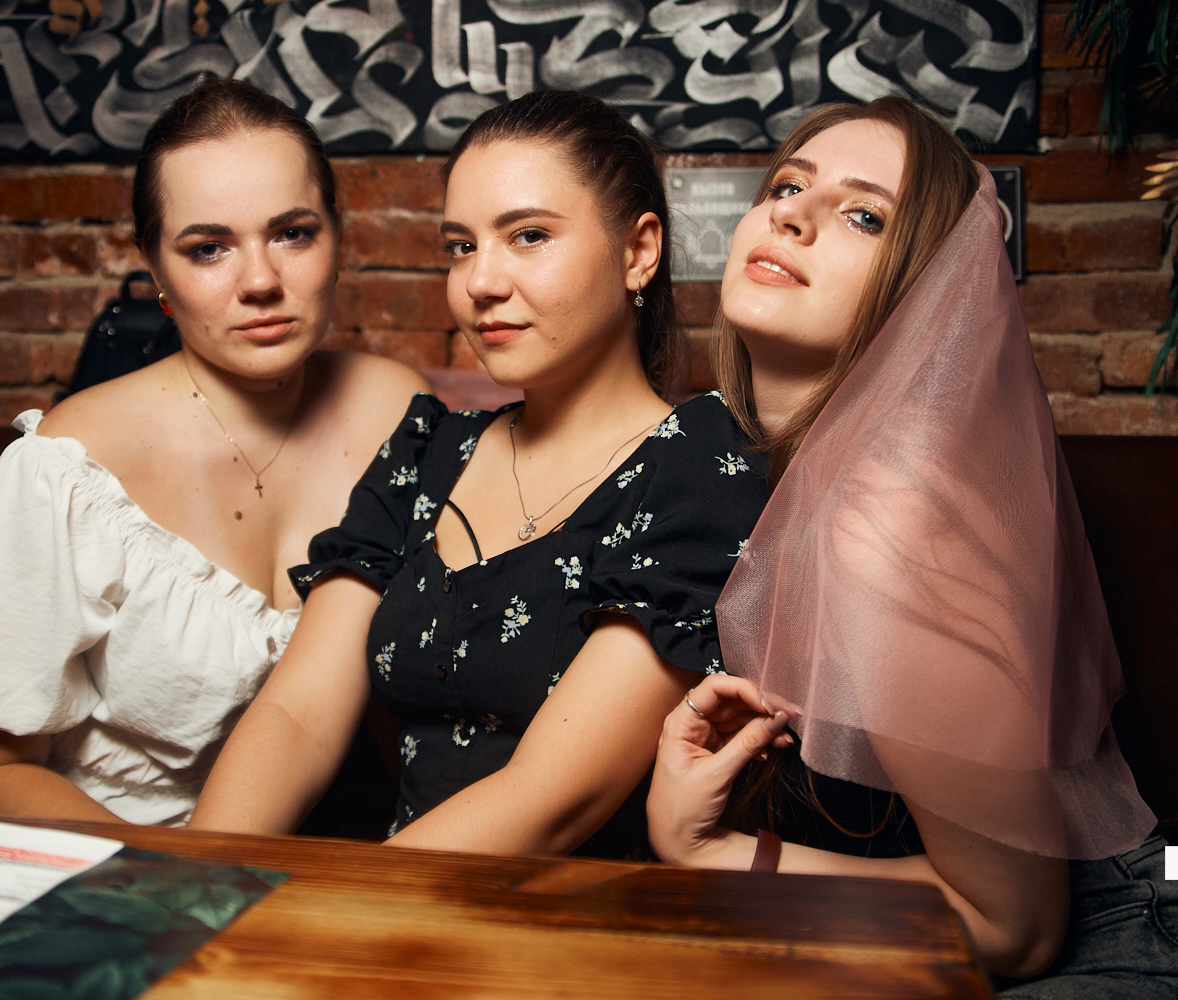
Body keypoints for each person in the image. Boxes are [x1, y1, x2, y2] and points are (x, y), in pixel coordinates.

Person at [646, 96, 1178, 997]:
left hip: (1119, 955)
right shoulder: (770, 469)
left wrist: (710, 851)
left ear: (929, 292)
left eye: (865, 216)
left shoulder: (887, 520)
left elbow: (1015, 929)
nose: (792, 215)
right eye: (785, 186)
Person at [190, 90, 771, 857]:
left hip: (562, 911)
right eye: (461, 246)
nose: (480, 283)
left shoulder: (705, 468)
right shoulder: (427, 450)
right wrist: (195, 890)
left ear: (638, 252)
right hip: (383, 890)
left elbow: (550, 798)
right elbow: (296, 713)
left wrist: (331, 911)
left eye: (528, 236)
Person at [0, 79, 426, 826]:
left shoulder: (396, 412)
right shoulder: (69, 466)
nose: (261, 281)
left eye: (293, 233)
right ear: (156, 270)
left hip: (246, 846)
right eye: (208, 249)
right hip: (58, 838)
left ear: (339, 237)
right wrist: (169, 880)